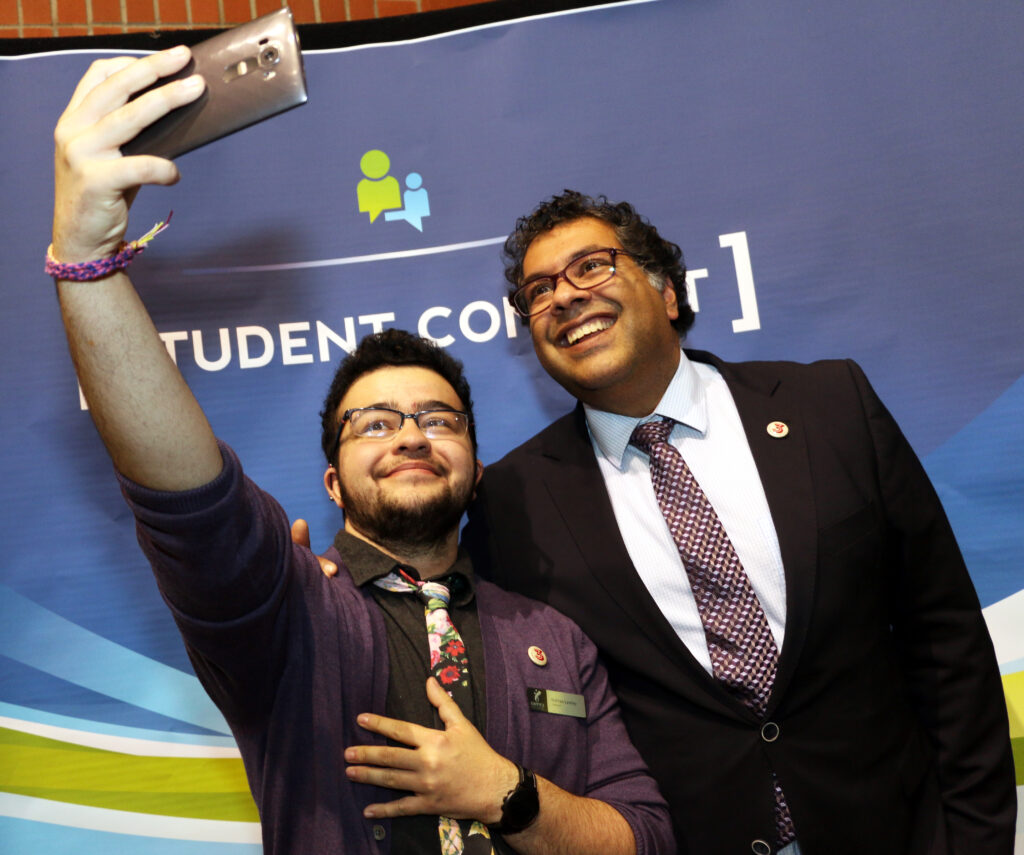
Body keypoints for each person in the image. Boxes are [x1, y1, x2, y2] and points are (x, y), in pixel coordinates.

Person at [48, 52, 674, 855]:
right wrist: (87, 263)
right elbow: (191, 500)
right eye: (374, 424)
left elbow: (647, 838)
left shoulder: (554, 635)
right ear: (331, 483)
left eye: (437, 419)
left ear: (478, 469)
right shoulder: (292, 609)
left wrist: (508, 794)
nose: (411, 434)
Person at [459, 191, 1017, 854]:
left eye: (592, 267)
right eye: (538, 291)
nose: (565, 297)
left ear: (666, 291)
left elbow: (946, 640)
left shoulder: (832, 407)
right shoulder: (512, 501)